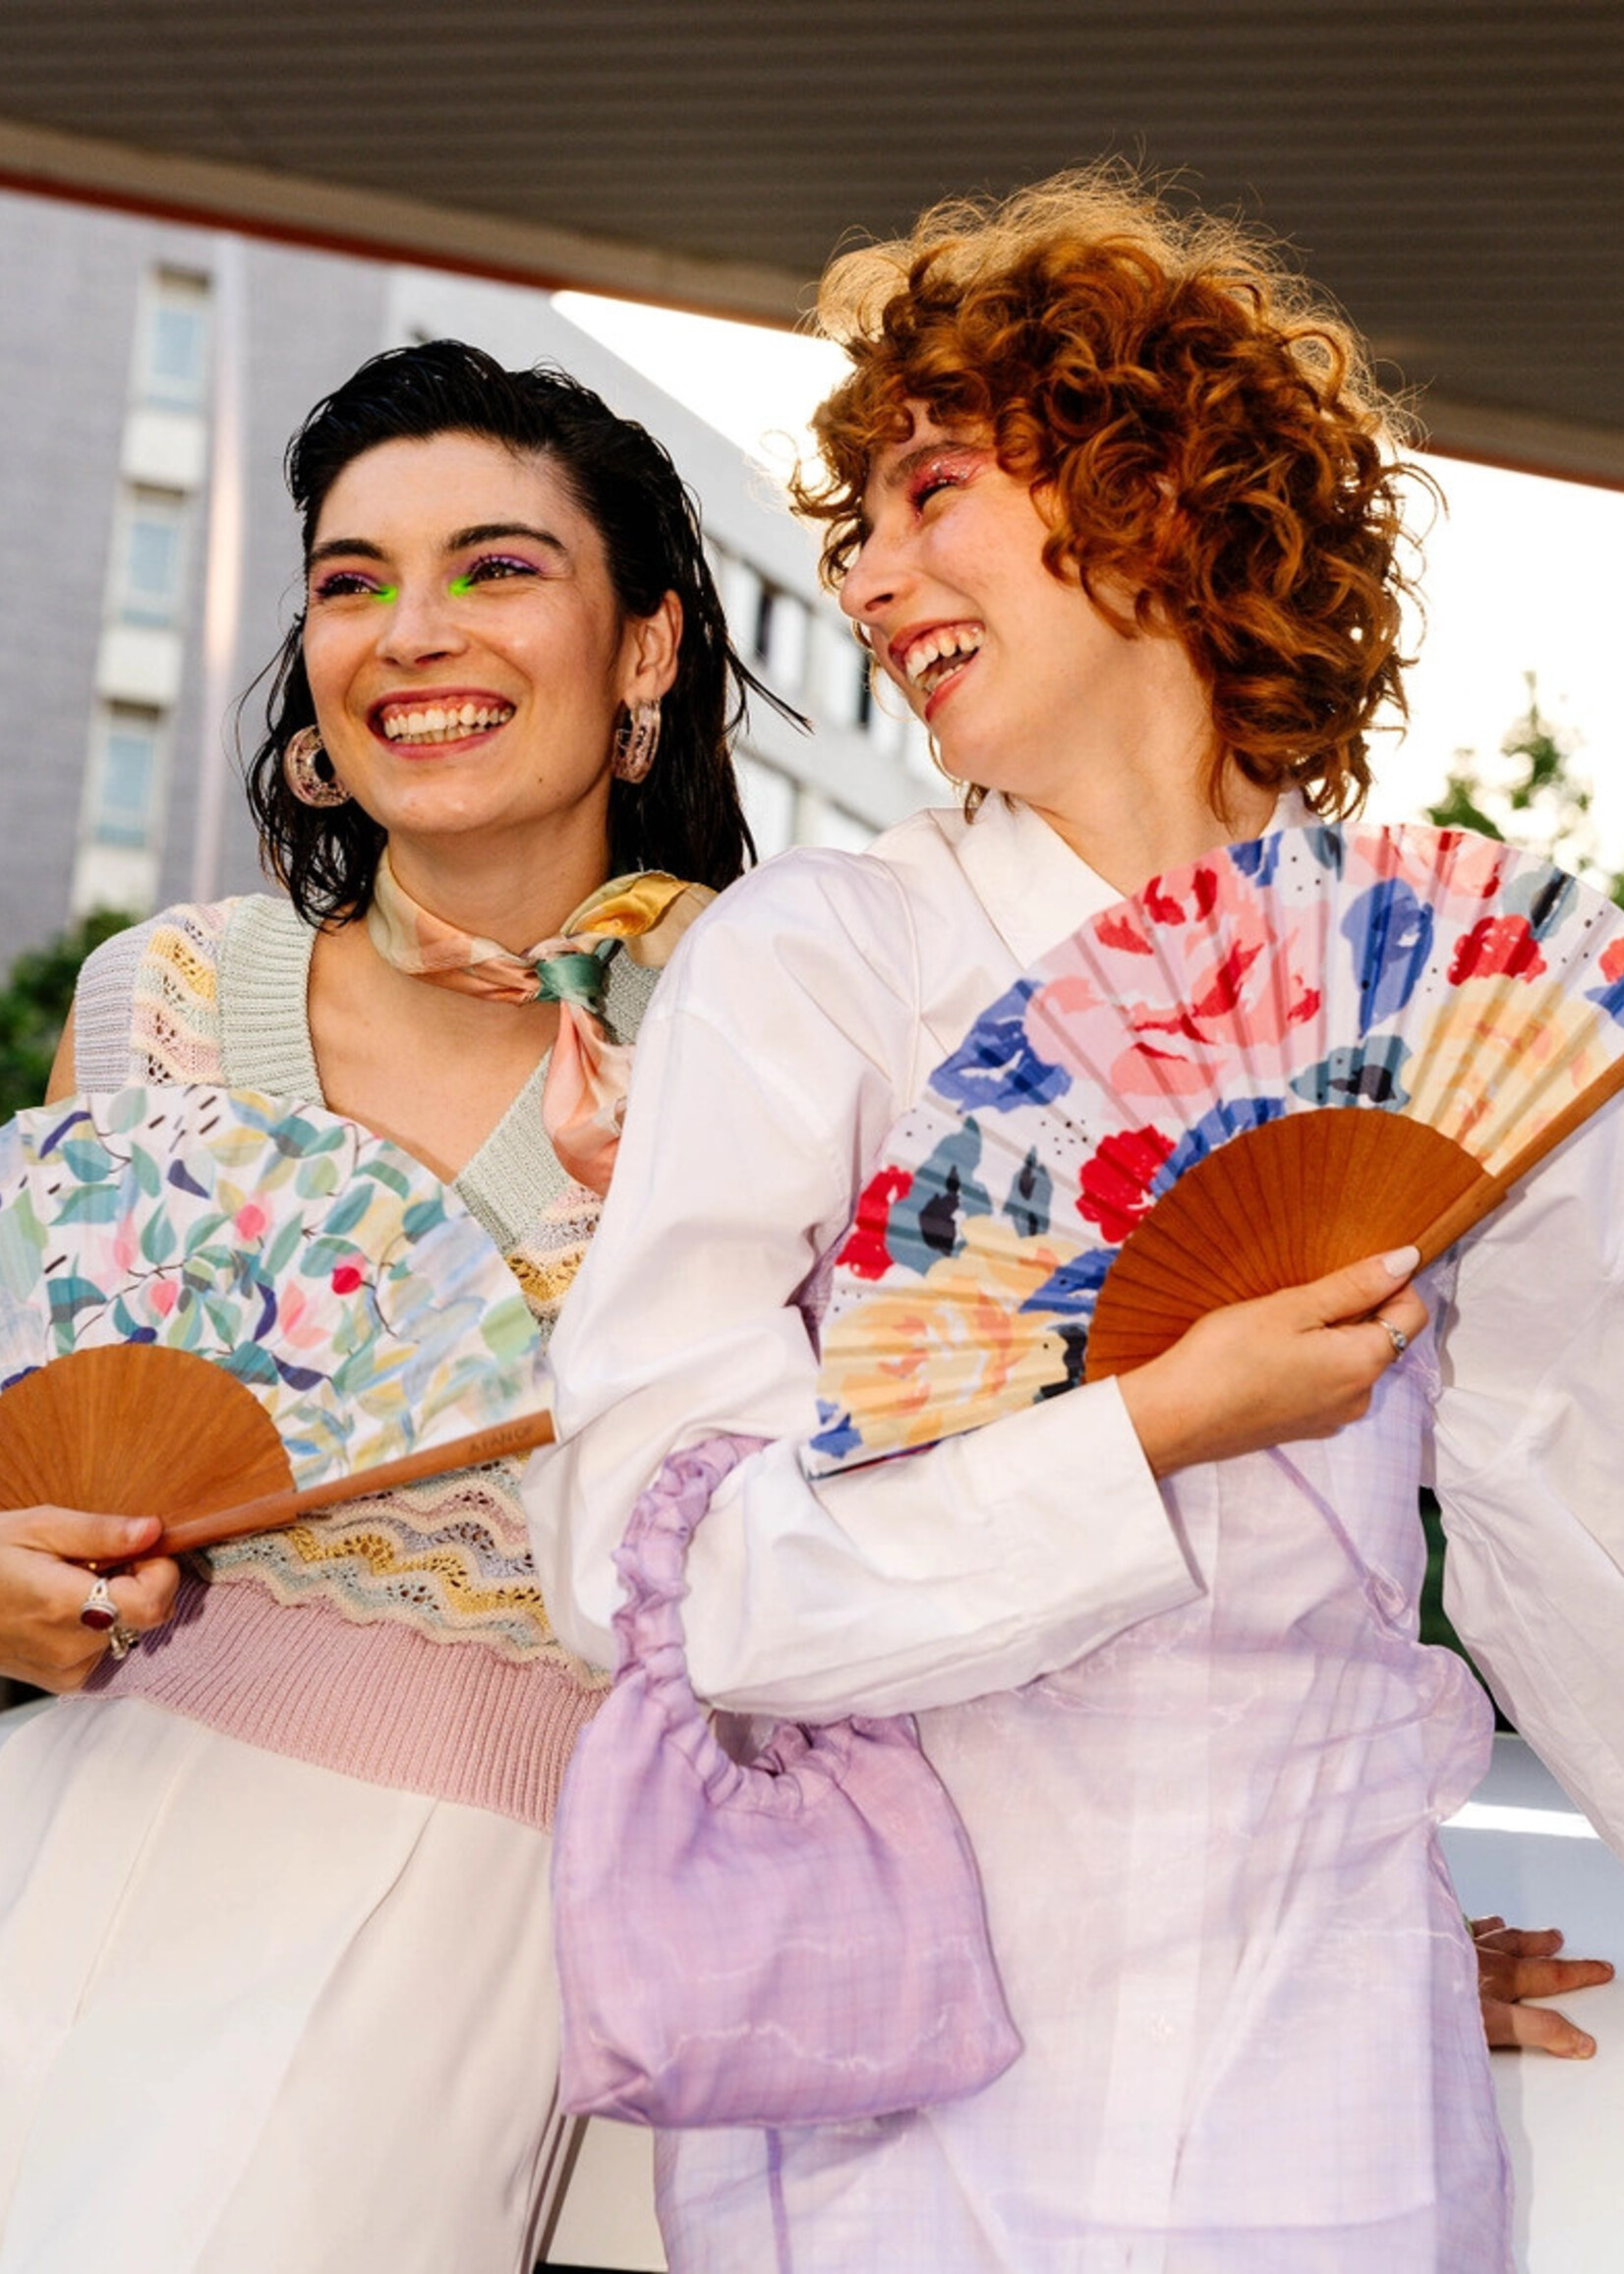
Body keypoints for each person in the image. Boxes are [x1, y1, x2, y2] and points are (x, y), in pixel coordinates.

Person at [528, 172, 1619, 2270]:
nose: (864, 574)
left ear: (1158, 491)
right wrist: (1149, 1429)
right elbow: (673, 1592)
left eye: (927, 490)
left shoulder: (1442, 996)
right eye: (848, 527)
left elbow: (1576, 1523)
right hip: (905, 2060)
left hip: (1326, 2048)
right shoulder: (814, 968)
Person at [0, 339, 769, 2274]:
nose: (407, 631)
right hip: (69, 1818)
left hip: (457, 1921)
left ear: (647, 647)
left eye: (497, 567)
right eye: (353, 578)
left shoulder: (768, 1067)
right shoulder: (162, 998)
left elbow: (874, 1564)